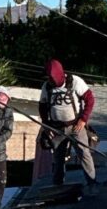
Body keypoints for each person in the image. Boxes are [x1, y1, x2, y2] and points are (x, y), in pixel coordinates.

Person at [39, 59, 97, 193]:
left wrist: (83, 119)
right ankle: (57, 186)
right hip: (56, 128)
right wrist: (46, 126)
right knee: (58, 158)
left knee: (84, 153)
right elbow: (42, 106)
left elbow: (90, 99)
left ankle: (92, 183)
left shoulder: (75, 82)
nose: (50, 81)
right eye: (48, 78)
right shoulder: (46, 87)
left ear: (58, 75)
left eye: (51, 78)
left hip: (76, 126)